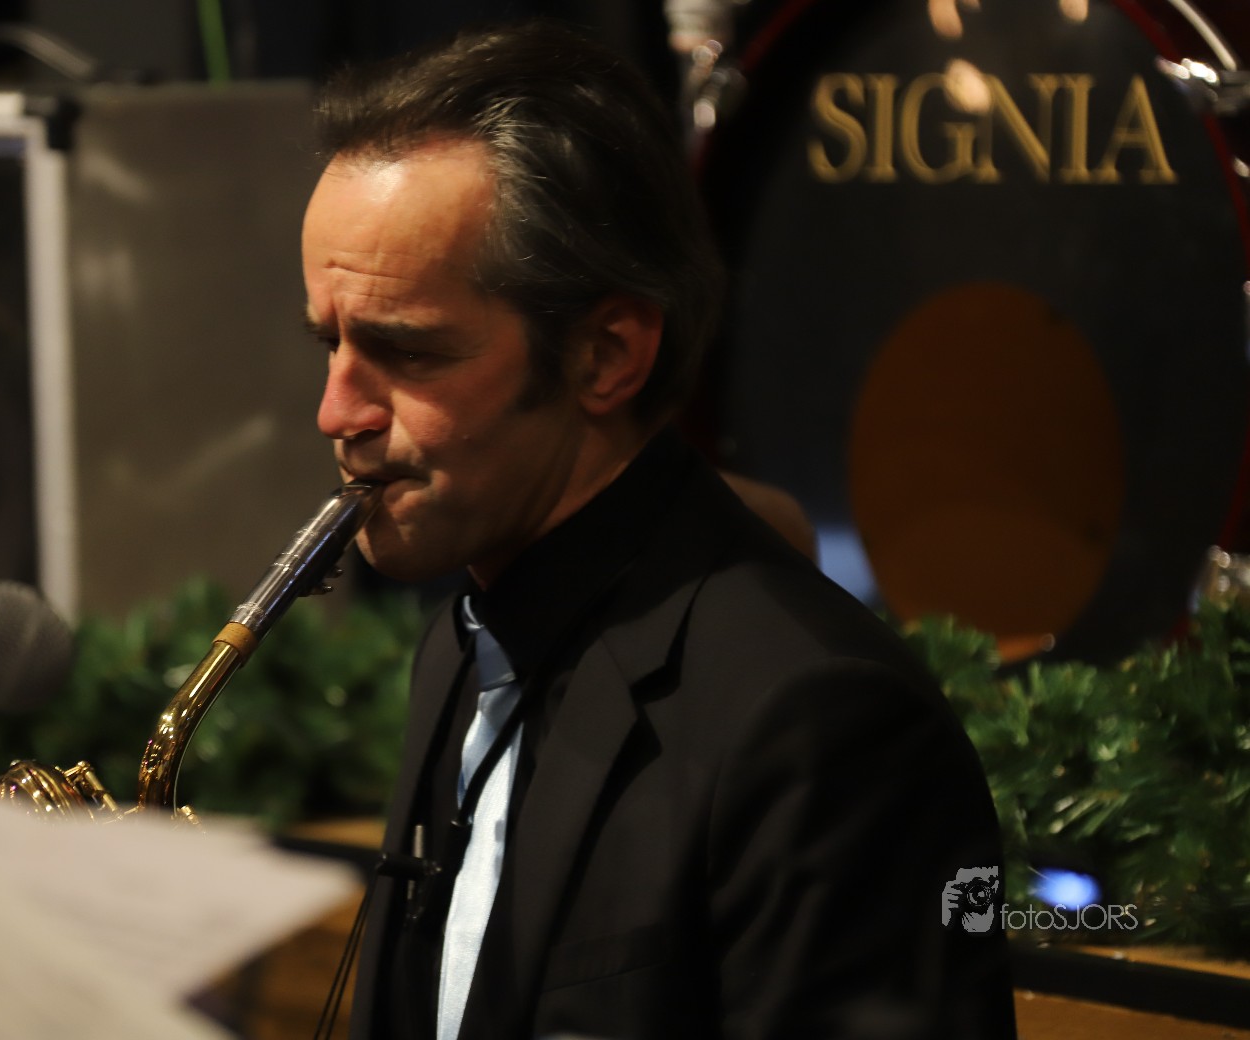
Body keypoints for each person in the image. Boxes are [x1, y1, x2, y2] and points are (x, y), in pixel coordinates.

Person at [302, 20, 1016, 1039]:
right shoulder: (462, 646)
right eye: (328, 344)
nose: (335, 412)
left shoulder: (825, 723)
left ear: (607, 356)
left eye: (405, 351)